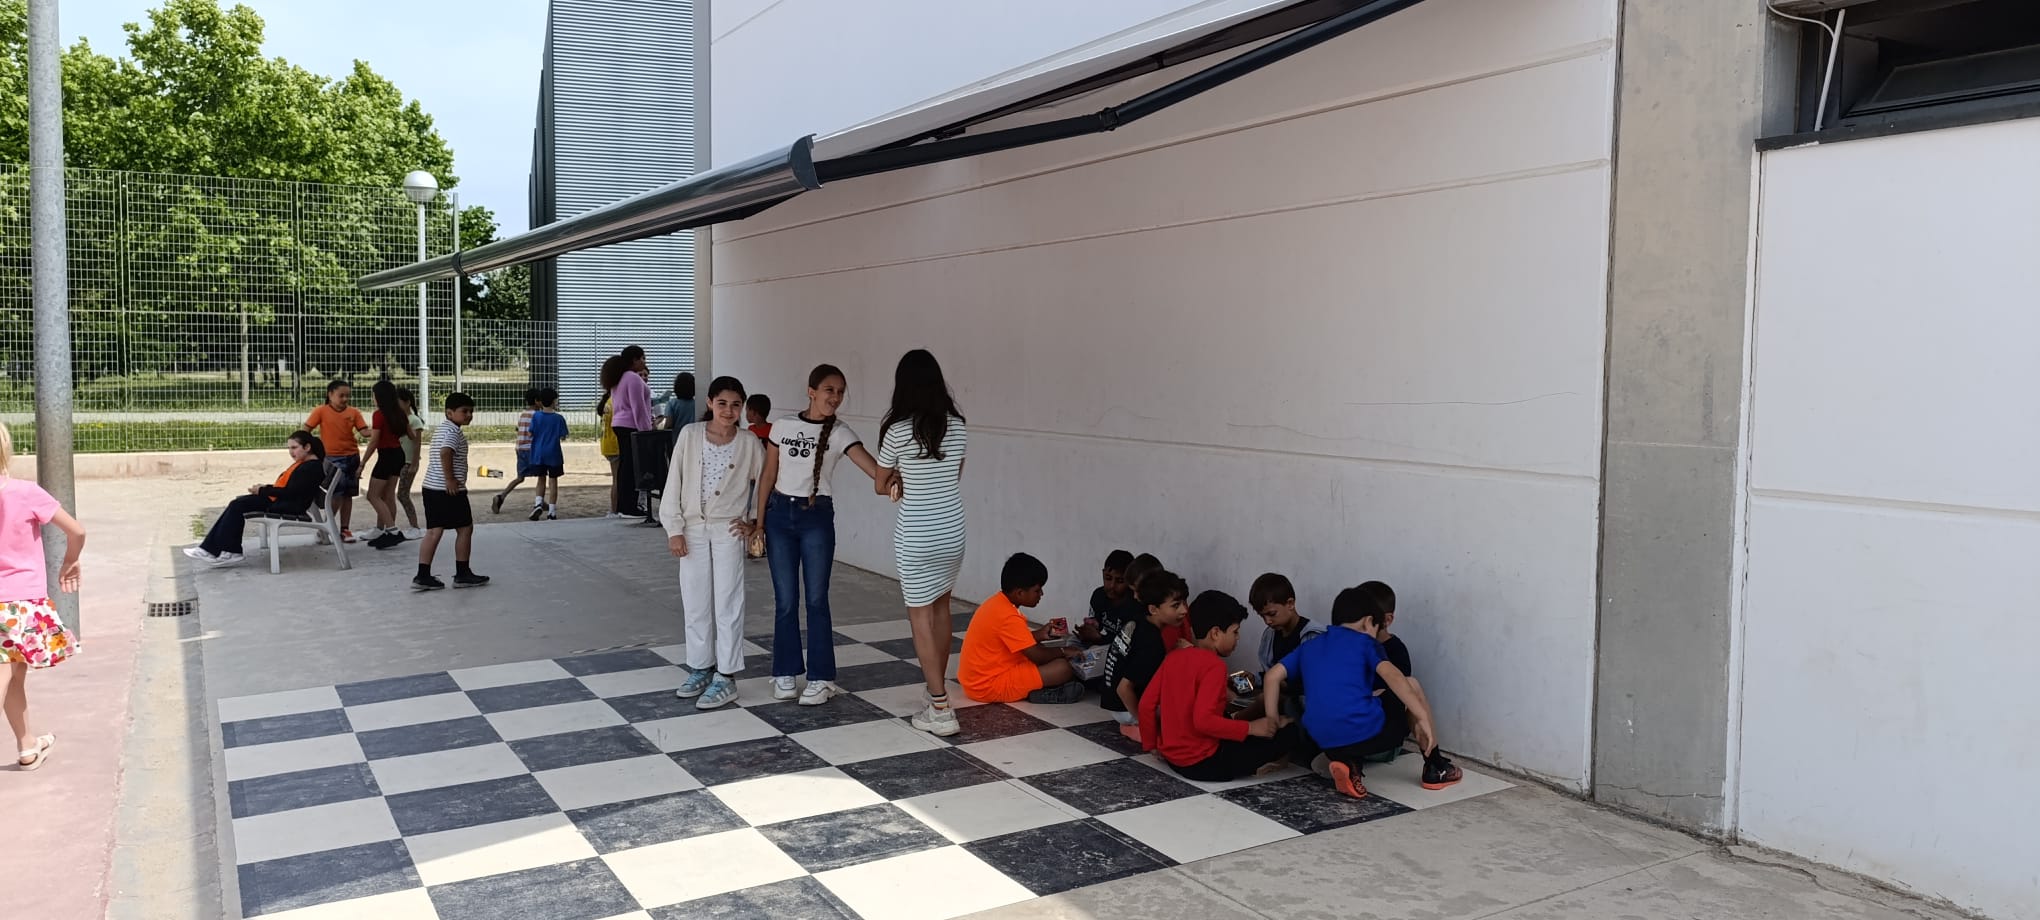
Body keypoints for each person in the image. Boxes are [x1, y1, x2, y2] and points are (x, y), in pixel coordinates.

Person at [753, 365, 892, 706]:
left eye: (841, 391)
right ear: (811, 391)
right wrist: (759, 523)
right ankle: (785, 671)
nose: (836, 397)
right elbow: (768, 474)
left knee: (816, 599)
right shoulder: (783, 426)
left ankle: (821, 677)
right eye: (830, 389)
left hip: (816, 516)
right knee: (785, 600)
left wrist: (902, 477)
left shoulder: (840, 432)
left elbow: (874, 470)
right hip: (779, 516)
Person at [1261, 586, 1462, 799]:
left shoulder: (1310, 645)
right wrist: (1421, 716)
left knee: (1339, 712)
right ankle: (1435, 766)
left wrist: (1272, 719)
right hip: (1366, 735)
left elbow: (1271, 677)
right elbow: (1395, 677)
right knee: (1411, 684)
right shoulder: (1366, 644)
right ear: (1368, 622)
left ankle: (1348, 764)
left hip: (1322, 740)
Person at [876, 349, 967, 736]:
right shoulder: (958, 426)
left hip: (916, 532)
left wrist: (899, 476)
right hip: (953, 529)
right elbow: (954, 476)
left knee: (920, 618)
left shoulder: (897, 431)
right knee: (942, 609)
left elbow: (880, 484)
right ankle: (936, 694)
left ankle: (941, 708)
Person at [662, 377, 764, 710]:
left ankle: (726, 674)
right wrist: (674, 528)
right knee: (695, 601)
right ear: (709, 403)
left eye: (736, 405)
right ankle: (700, 666)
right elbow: (674, 481)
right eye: (722, 404)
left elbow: (765, 481)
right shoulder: (691, 435)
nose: (729, 411)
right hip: (692, 528)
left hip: (728, 530)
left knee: (728, 602)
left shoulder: (749, 442)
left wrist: (754, 520)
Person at [0, 421, 85, 770]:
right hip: (20, 602)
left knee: (14, 674)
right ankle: (27, 745)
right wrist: (70, 561)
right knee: (7, 673)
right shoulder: (25, 492)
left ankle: (27, 746)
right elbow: (76, 531)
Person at [1140, 591, 1294, 781]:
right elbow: (1203, 721)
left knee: (1231, 719)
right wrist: (1251, 728)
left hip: (1173, 759)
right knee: (1288, 732)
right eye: (1235, 632)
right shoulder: (1215, 666)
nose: (1238, 638)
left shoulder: (1173, 657)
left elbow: (1145, 705)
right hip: (1206, 763)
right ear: (1215, 633)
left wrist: (1151, 745)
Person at [959, 553, 1085, 705]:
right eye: (1037, 590)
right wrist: (1064, 651)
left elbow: (1013, 641)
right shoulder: (1008, 616)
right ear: (1019, 593)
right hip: (987, 686)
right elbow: (1038, 656)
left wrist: (1039, 634)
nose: (1041, 594)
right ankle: (1041, 693)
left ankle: (1037, 687)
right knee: (1063, 668)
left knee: (1048, 654)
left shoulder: (997, 603)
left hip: (977, 679)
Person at [185, 431, 327, 566]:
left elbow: (291, 492)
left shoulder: (311, 468)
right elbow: (292, 488)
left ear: (307, 447)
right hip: (283, 501)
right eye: (289, 448)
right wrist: (264, 488)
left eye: (294, 448)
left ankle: (223, 550)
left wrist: (263, 490)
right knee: (238, 503)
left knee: (238, 505)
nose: (291, 452)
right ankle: (217, 550)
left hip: (288, 506)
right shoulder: (306, 464)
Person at [1099, 569, 1189, 738]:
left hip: (1113, 703)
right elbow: (1124, 689)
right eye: (1176, 605)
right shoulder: (1151, 642)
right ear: (1154, 609)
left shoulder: (1138, 620)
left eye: (1184, 603)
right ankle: (1138, 729)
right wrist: (1145, 724)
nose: (1184, 610)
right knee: (1186, 712)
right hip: (1126, 707)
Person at [415, 393, 489, 591]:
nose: (469, 415)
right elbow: (445, 452)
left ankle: (423, 575)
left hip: (431, 487)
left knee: (434, 531)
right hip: (449, 489)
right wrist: (450, 479)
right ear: (449, 413)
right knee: (465, 528)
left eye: (471, 411)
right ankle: (463, 573)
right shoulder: (453, 432)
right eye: (464, 411)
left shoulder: (442, 429)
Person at [304, 380, 369, 542]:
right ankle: (326, 526)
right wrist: (310, 449)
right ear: (330, 394)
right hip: (332, 459)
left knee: (348, 494)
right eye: (341, 395)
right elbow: (306, 430)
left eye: (348, 396)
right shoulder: (321, 411)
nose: (345, 399)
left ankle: (344, 529)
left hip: (352, 457)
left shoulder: (354, 412)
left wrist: (383, 430)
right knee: (335, 494)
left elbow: (365, 432)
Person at [363, 382, 412, 549]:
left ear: (379, 396)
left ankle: (392, 531)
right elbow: (411, 434)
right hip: (398, 454)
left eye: (373, 395)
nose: (372, 398)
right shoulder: (399, 413)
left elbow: (374, 441)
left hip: (386, 456)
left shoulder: (379, 414)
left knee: (373, 495)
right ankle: (385, 531)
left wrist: (362, 463)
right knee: (388, 494)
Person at [611, 346, 656, 517]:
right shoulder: (633, 378)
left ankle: (623, 505)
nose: (644, 362)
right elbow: (638, 407)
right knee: (633, 467)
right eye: (642, 358)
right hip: (631, 425)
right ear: (635, 360)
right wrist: (645, 430)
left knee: (625, 466)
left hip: (619, 423)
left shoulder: (619, 377)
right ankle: (629, 506)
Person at [491, 389, 542, 516]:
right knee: (542, 476)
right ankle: (539, 502)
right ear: (536, 401)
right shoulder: (537, 415)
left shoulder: (524, 414)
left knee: (520, 478)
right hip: (531, 449)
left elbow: (518, 428)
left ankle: (501, 496)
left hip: (520, 448)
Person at [525, 388, 568, 521]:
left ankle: (538, 503)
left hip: (538, 453)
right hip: (554, 454)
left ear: (541, 401)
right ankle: (552, 512)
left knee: (541, 479)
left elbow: (530, 433)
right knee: (553, 481)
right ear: (554, 401)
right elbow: (563, 436)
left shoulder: (536, 416)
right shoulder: (559, 418)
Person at [596, 355, 627, 518]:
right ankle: (615, 510)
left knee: (617, 479)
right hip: (615, 445)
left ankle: (615, 509)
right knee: (617, 480)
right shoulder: (616, 399)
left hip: (607, 444)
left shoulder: (608, 399)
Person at [394, 387, 426, 539]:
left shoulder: (414, 420)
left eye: (398, 402)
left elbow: (417, 444)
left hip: (408, 462)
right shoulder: (400, 419)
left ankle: (415, 526)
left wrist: (414, 463)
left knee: (403, 495)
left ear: (407, 403)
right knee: (401, 494)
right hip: (400, 461)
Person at [1085, 549, 1135, 643]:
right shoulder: (1098, 596)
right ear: (1103, 574)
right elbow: (1097, 625)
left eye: (1120, 581)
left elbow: (1128, 643)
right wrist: (1091, 627)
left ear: (1130, 580)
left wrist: (1100, 638)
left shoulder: (1134, 604)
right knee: (1071, 641)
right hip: (1101, 642)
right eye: (1108, 578)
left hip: (1121, 648)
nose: (1112, 586)